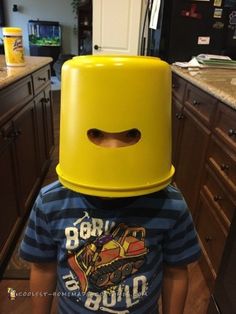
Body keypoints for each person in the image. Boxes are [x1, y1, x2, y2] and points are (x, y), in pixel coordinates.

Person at [20, 56, 201, 314]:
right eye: (96, 133)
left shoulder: (171, 206)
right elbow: (43, 267)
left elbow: (176, 271)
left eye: (130, 134)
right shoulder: (50, 202)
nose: (113, 149)